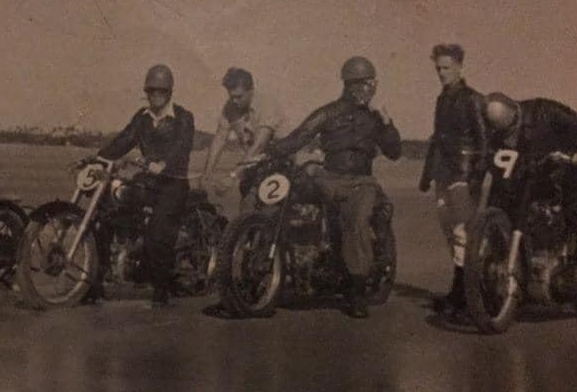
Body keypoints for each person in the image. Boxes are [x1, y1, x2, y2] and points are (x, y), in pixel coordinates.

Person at [271, 56, 402, 318]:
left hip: (361, 182)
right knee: (294, 193)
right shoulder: (328, 112)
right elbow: (299, 137)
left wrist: (387, 121)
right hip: (329, 177)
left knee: (356, 221)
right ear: (354, 85)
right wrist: (271, 152)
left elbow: (395, 151)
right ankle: (294, 255)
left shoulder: (375, 119)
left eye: (371, 84)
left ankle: (356, 291)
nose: (371, 89)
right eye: (368, 84)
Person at [94, 64, 195, 308]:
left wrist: (164, 163)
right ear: (146, 92)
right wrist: (98, 158)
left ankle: (161, 291)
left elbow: (182, 146)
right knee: (106, 215)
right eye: (151, 91)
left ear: (169, 92)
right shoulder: (142, 118)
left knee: (157, 234)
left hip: (173, 183)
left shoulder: (183, 117)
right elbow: (124, 140)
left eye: (160, 91)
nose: (155, 96)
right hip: (147, 181)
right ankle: (95, 284)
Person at [482, 92, 577, 274]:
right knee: (505, 204)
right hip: (533, 177)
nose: (508, 139)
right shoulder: (495, 131)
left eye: (511, 132)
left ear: (516, 115)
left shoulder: (545, 112)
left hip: (569, 169)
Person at [418, 44, 488, 316]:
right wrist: (426, 175)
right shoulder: (442, 99)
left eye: (446, 68)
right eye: (438, 68)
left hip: (463, 176)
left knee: (465, 235)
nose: (441, 73)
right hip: (443, 175)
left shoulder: (472, 99)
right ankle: (461, 293)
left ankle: (471, 295)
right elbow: (437, 140)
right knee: (450, 233)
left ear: (460, 67)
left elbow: (484, 143)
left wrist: (472, 180)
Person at [202, 67, 287, 211]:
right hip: (252, 167)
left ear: (251, 90)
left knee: (268, 214)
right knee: (246, 213)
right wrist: (207, 174)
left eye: (239, 96)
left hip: (281, 166)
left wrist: (233, 175)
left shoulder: (267, 104)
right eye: (231, 96)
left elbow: (259, 145)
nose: (234, 101)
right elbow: (219, 140)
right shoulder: (229, 107)